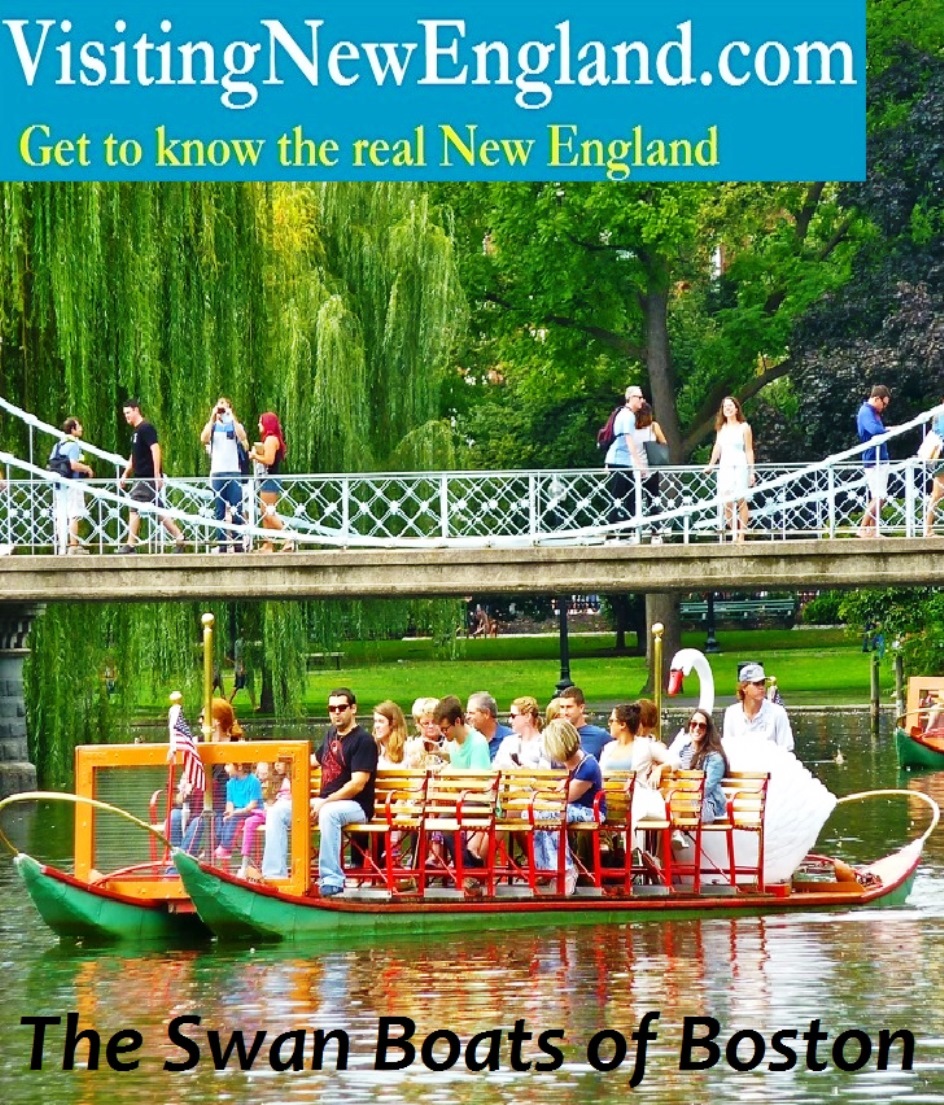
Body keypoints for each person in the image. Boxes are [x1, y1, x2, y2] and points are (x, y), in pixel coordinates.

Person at [309, 688, 378, 897]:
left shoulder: (364, 741)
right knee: (280, 811)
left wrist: (325, 802)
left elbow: (357, 785)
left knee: (329, 813)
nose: (336, 712)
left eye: (341, 707)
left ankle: (332, 880)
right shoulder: (330, 735)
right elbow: (313, 761)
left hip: (357, 806)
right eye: (332, 708)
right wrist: (283, 763)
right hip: (325, 802)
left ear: (353, 709)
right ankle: (275, 874)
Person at [533, 718, 605, 896]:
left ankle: (566, 869)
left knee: (552, 814)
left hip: (591, 811)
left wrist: (546, 799)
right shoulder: (567, 763)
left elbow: (567, 797)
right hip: (569, 808)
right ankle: (547, 869)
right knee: (533, 815)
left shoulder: (588, 766)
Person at [116, 398, 186, 554]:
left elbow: (156, 449)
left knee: (133, 506)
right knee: (158, 510)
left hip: (147, 477)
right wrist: (125, 474)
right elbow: (134, 456)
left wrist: (156, 475)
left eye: (128, 413)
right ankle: (179, 537)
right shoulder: (136, 432)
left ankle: (130, 544)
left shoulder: (146, 428)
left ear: (136, 410)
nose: (126, 416)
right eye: (125, 414)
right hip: (141, 477)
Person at [200, 396, 249, 553]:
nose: (221, 408)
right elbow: (204, 438)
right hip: (217, 472)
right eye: (219, 405)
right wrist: (212, 417)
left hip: (234, 471)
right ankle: (221, 543)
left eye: (224, 405)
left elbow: (243, 437)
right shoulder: (213, 426)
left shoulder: (235, 425)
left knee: (236, 508)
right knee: (219, 510)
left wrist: (231, 416)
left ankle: (238, 542)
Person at [704, 396, 754, 543]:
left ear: (736, 409)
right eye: (725, 406)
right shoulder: (722, 428)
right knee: (727, 503)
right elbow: (717, 447)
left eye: (731, 406)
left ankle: (741, 535)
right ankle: (734, 532)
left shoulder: (744, 427)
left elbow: (749, 450)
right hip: (725, 465)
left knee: (741, 501)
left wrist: (752, 471)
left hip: (740, 465)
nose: (728, 408)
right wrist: (711, 464)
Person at [667, 710, 729, 822]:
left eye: (702, 726)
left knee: (674, 802)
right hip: (682, 799)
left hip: (704, 804)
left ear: (707, 730)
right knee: (663, 800)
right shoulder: (683, 750)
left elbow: (707, 788)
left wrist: (682, 790)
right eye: (694, 724)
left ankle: (674, 831)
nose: (697, 728)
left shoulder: (715, 757)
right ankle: (671, 832)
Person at [604, 385, 647, 540]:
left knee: (627, 496)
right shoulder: (628, 415)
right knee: (621, 496)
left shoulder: (624, 414)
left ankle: (625, 531)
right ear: (630, 398)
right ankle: (614, 532)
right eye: (639, 397)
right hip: (620, 461)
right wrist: (639, 464)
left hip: (620, 460)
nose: (642, 400)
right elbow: (629, 441)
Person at [721, 662, 794, 752]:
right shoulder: (731, 713)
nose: (761, 687)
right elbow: (728, 748)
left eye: (763, 683)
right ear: (744, 687)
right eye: (756, 684)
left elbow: (786, 748)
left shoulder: (778, 712)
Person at [249, 411, 293, 553]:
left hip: (270, 479)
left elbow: (269, 460)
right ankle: (268, 544)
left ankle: (288, 536)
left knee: (268, 512)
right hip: (268, 479)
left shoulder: (270, 440)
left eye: (260, 422)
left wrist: (255, 456)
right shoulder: (271, 439)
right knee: (265, 512)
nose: (258, 425)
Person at [50, 417, 94, 555]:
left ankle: (61, 545)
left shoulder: (57, 445)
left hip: (59, 485)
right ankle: (73, 545)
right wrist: (87, 469)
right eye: (79, 426)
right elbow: (73, 465)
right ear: (73, 429)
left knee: (61, 514)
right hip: (72, 483)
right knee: (74, 513)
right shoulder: (73, 445)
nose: (81, 428)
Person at [856, 385, 891, 539]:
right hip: (874, 459)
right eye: (884, 404)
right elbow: (874, 430)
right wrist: (889, 430)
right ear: (877, 399)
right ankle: (863, 528)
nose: (884, 407)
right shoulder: (866, 412)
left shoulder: (871, 412)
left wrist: (888, 429)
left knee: (877, 496)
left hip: (877, 458)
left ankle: (873, 531)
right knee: (880, 496)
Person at [631, 402, 669, 544]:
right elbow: (663, 443)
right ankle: (655, 533)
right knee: (653, 500)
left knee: (633, 501)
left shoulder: (631, 429)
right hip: (650, 468)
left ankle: (633, 532)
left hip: (633, 468)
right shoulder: (653, 427)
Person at [214, 761, 263, 862]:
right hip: (237, 811)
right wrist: (229, 813)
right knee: (219, 817)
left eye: (228, 764)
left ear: (239, 766)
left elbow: (253, 805)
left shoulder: (254, 781)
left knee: (234, 817)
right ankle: (218, 845)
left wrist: (236, 812)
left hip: (252, 812)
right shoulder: (230, 783)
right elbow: (230, 803)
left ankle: (226, 847)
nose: (225, 768)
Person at [433, 695, 491, 769]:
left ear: (457, 721)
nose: (443, 733)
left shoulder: (478, 743)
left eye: (445, 729)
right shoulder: (452, 740)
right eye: (441, 729)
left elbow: (478, 775)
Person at [494, 696, 549, 769]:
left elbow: (547, 771)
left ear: (527, 716)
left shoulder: (545, 744)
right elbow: (495, 768)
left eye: (513, 716)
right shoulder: (508, 742)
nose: (510, 720)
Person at [559, 685, 612, 759]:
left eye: (569, 707)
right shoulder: (556, 735)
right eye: (562, 707)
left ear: (581, 708)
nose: (565, 712)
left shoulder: (600, 736)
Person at [466, 691, 512, 761]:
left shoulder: (510, 738)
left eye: (471, 713)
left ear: (486, 713)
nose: (467, 717)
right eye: (467, 713)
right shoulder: (468, 739)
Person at [923, 399, 944, 537]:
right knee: (937, 493)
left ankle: (928, 528)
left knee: (936, 494)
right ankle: (928, 528)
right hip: (942, 456)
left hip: (939, 456)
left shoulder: (938, 413)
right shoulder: (941, 414)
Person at [373, 699, 408, 767]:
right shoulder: (373, 749)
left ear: (392, 724)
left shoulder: (407, 750)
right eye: (375, 721)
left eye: (381, 721)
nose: (376, 726)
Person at [228, 636, 257, 710]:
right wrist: (242, 667)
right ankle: (228, 703)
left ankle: (254, 705)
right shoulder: (241, 643)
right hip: (242, 669)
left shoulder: (238, 642)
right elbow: (241, 656)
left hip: (243, 668)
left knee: (242, 686)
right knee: (238, 686)